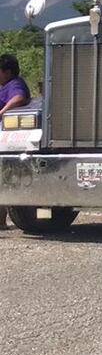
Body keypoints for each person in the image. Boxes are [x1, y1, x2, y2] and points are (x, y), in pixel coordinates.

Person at [0, 54, 30, 230]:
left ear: (7, 72)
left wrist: (2, 112)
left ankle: (1, 221)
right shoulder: (5, 86)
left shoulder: (15, 84)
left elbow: (19, 98)